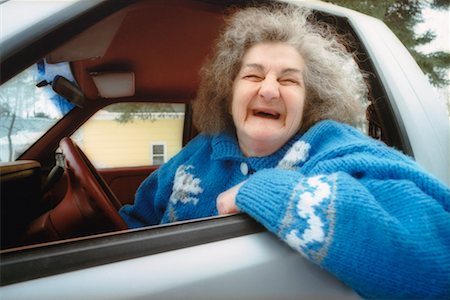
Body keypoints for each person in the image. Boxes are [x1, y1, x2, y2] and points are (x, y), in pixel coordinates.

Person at [119, 4, 450, 299]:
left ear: (310, 100)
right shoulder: (197, 153)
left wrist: (268, 190)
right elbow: (135, 222)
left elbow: (438, 258)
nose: (269, 90)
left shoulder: (332, 147)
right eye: (253, 75)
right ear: (228, 91)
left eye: (289, 81)